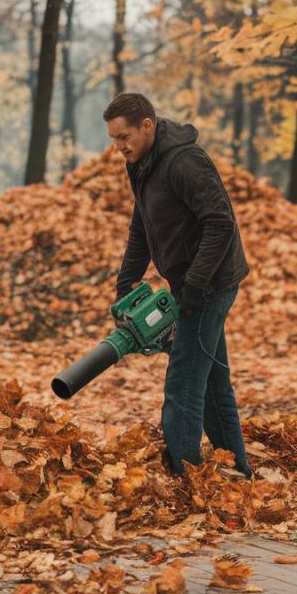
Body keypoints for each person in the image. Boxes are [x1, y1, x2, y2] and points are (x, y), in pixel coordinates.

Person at [104, 92, 251, 479]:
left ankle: (185, 478)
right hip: (189, 284)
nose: (118, 147)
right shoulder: (142, 164)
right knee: (214, 383)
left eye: (124, 137)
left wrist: (196, 286)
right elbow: (142, 226)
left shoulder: (186, 162)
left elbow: (221, 223)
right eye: (114, 139)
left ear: (147, 126)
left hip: (211, 283)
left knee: (182, 383)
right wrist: (126, 284)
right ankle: (237, 472)